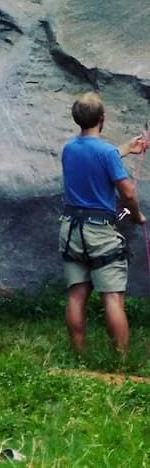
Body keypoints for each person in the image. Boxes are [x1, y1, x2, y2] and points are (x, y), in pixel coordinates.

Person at [59, 92, 146, 359]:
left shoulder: (69, 148)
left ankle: (79, 356)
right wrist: (137, 215)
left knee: (77, 294)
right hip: (99, 232)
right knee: (112, 297)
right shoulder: (106, 153)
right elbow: (127, 193)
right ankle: (121, 362)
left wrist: (125, 149)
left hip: (71, 229)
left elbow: (94, 157)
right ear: (102, 118)